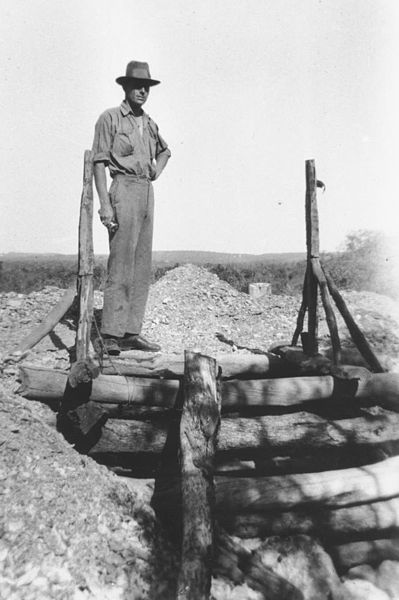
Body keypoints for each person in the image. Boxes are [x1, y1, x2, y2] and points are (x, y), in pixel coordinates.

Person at [92, 61, 171, 355]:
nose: (142, 92)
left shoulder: (149, 123)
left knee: (141, 265)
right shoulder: (110, 119)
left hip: (146, 192)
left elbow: (165, 151)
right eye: (137, 86)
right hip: (123, 189)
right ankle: (110, 333)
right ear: (125, 87)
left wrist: (155, 172)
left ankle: (130, 331)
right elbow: (99, 162)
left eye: (147, 88)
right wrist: (105, 204)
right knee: (121, 263)